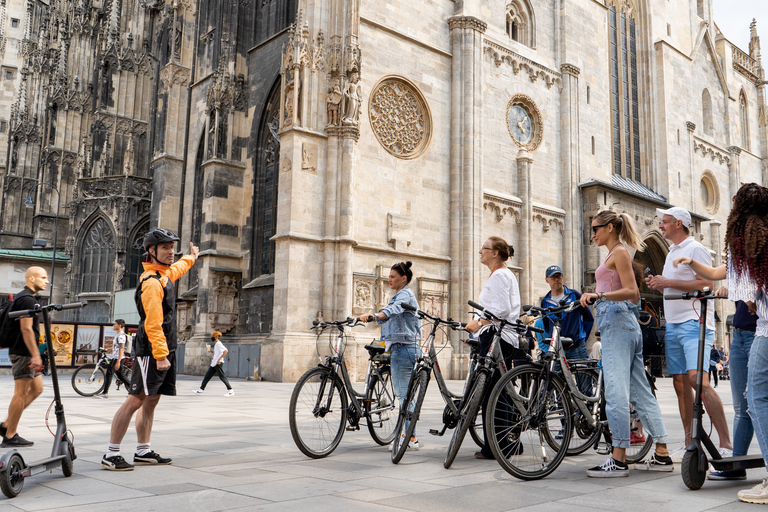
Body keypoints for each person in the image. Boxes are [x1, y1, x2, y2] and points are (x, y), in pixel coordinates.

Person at [672, 183, 768, 498]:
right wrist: (691, 264)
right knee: (752, 401)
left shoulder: (753, 245)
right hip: (751, 331)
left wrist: (747, 294)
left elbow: (743, 287)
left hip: (762, 332)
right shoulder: (755, 246)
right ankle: (738, 464)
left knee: (756, 400)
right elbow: (719, 272)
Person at [580, 210, 671, 476]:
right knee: (640, 391)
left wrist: (599, 295)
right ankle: (662, 453)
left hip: (618, 325)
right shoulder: (615, 253)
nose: (593, 233)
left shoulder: (619, 252)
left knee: (617, 392)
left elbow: (632, 291)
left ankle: (618, 457)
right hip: (625, 323)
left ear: (610, 227)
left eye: (596, 228)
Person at [101, 229, 198, 471]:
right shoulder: (152, 283)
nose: (171, 252)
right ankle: (111, 453)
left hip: (164, 347)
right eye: (165, 248)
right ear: (151, 252)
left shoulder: (163, 276)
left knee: (151, 399)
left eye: (172, 247)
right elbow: (153, 324)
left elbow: (177, 270)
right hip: (151, 350)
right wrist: (161, 355)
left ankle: (143, 451)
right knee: (136, 399)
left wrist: (192, 258)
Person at [646, 206, 732, 455]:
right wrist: (660, 285)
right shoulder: (672, 251)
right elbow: (678, 289)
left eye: (664, 222)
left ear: (679, 224)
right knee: (680, 384)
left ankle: (726, 444)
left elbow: (707, 284)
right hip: (673, 325)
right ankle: (689, 444)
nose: (660, 225)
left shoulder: (696, 249)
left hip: (694, 322)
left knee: (698, 381)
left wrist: (668, 281)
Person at [464, 236, 526, 460]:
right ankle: (506, 442)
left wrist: (479, 323)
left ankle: (498, 446)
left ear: (496, 254)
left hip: (498, 338)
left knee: (493, 393)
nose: (480, 251)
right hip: (496, 336)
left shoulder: (500, 275)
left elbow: (501, 310)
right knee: (499, 392)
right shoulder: (500, 275)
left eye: (484, 248)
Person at [359, 261, 421, 450]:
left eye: (393, 276)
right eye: (389, 276)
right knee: (405, 394)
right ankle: (411, 436)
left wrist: (375, 315)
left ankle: (409, 438)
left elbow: (392, 311)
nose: (389, 279)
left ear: (404, 278)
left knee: (404, 395)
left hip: (404, 350)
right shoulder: (401, 295)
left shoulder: (404, 296)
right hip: (403, 348)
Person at [1, 267, 49, 447]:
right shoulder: (27, 300)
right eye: (43, 277)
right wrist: (35, 355)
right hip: (23, 353)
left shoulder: (25, 298)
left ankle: (6, 424)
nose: (46, 281)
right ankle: (10, 434)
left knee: (37, 389)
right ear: (31, 278)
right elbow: (26, 329)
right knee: (20, 393)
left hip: (24, 351)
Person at [194, 331, 234, 396]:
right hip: (214, 363)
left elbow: (225, 350)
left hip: (218, 363)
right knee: (207, 376)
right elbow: (218, 353)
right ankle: (201, 390)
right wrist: (211, 351)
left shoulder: (218, 343)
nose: (212, 338)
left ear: (216, 337)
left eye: (213, 337)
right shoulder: (216, 344)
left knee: (222, 377)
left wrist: (219, 359)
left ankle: (230, 390)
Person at [96, 319, 127, 398]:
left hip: (117, 358)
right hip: (116, 357)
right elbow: (116, 347)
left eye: (115, 324)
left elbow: (121, 348)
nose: (113, 325)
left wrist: (118, 361)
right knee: (121, 376)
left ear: (119, 325)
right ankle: (134, 392)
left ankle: (105, 393)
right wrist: (108, 349)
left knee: (109, 374)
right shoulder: (118, 334)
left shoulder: (121, 336)